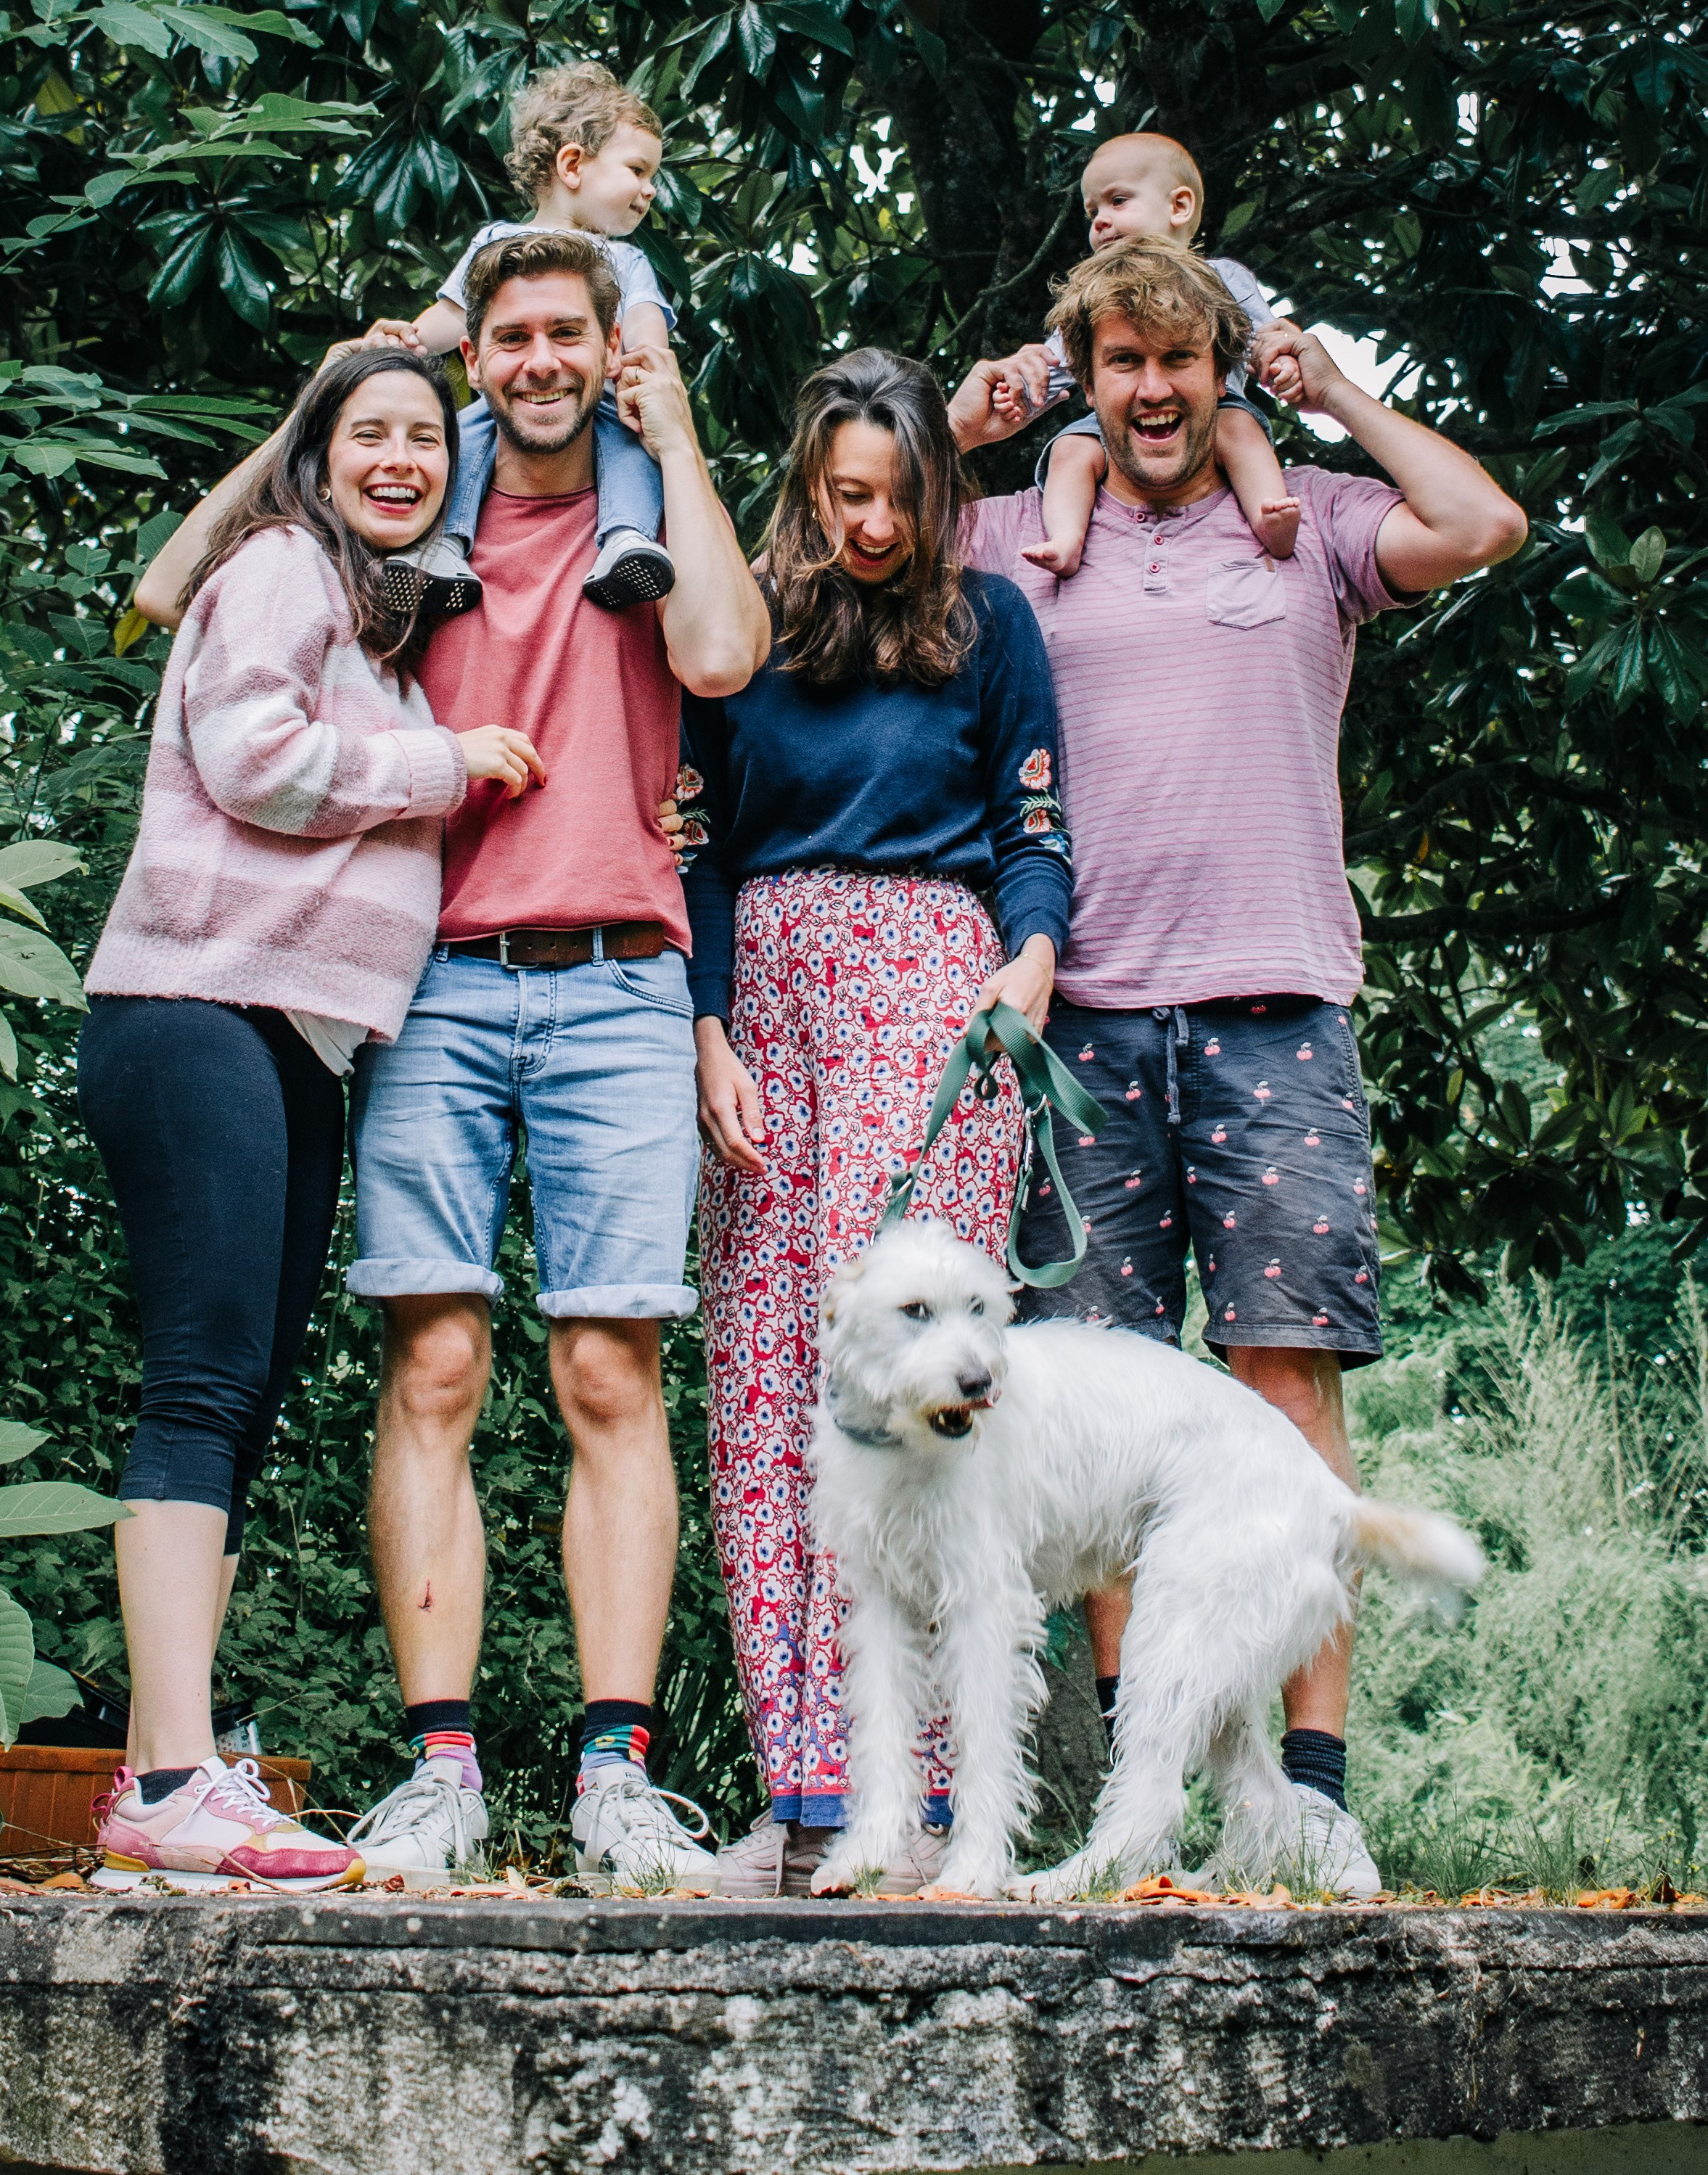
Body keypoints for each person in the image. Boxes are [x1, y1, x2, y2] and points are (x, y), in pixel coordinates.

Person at [949, 235, 1527, 1896]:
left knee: (1284, 1392)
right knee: (1100, 1419)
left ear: (1217, 371)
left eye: (1176, 361)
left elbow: (1480, 522)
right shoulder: (1015, 534)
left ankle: (1310, 1790)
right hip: (1078, 1022)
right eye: (1119, 363)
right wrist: (976, 418)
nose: (1150, 390)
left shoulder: (1311, 524)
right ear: (1085, 379)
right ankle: (1142, 1804)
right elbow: (848, 518)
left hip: (1273, 1005)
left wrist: (1327, 386)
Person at [327, 225, 768, 1891]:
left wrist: (678, 430)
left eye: (563, 333)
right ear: (475, 352)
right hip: (434, 978)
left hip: (621, 983)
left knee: (606, 1373)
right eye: (507, 335)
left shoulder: (646, 516)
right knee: (434, 1362)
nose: (534, 360)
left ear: (608, 344)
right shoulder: (410, 518)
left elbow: (720, 657)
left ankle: (614, 1776)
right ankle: (438, 1769)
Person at [83, 348, 534, 1893]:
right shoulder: (282, 563)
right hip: (193, 1008)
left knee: (242, 1394)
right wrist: (443, 766)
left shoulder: (377, 618)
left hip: (290, 1034)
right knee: (202, 1383)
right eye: (370, 433)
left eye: (425, 437)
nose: (400, 457)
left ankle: (165, 1773)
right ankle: (168, 1776)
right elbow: (250, 757)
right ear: (318, 454)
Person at [683, 348, 1072, 1897]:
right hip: (767, 995)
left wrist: (1029, 954)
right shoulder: (747, 626)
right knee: (764, 1374)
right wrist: (707, 1024)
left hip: (930, 985)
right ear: (805, 480)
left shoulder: (990, 620)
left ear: (939, 489)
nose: (870, 524)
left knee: (915, 1390)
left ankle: (924, 1802)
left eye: (900, 497)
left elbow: (1034, 822)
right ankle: (802, 1793)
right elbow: (697, 841)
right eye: (845, 493)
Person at [374, 60, 678, 612]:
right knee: (460, 438)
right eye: (637, 169)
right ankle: (442, 546)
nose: (650, 189)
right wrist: (403, 344)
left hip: (598, 404)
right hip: (506, 405)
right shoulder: (495, 243)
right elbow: (451, 318)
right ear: (572, 164)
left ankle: (625, 539)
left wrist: (645, 361)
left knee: (631, 448)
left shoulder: (625, 259)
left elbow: (644, 326)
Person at [988, 132, 1302, 578]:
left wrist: (1281, 364)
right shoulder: (1093, 296)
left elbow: (1262, 339)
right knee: (1071, 449)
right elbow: (1054, 368)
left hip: (1216, 408)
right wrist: (1019, 391)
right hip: (1115, 421)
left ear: (1179, 206)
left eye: (1118, 201)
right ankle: (1065, 538)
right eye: (1092, 211)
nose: (1100, 221)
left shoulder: (1221, 278)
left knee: (1239, 427)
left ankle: (1270, 516)